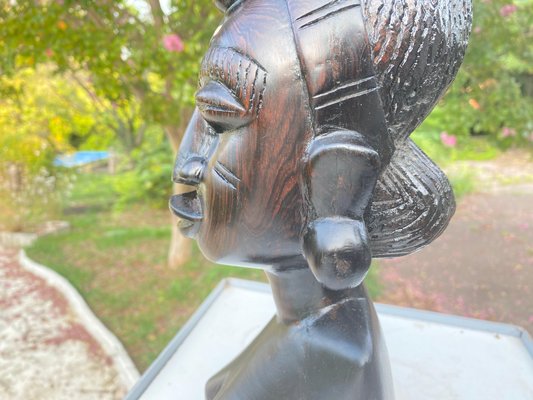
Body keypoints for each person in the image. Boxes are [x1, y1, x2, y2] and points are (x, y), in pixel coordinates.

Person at [170, 0, 471, 398]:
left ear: (336, 179)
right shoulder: (307, 326)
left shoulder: (330, 352)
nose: (185, 164)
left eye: (218, 119)